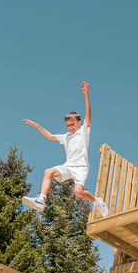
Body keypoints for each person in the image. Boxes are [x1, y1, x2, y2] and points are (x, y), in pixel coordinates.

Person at [21, 81, 108, 218]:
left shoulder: (83, 132)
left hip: (81, 167)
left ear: (79, 123)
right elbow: (50, 137)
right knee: (48, 172)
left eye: (72, 124)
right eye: (68, 125)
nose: (70, 127)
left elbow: (88, 115)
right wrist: (37, 126)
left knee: (78, 192)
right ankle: (41, 200)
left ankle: (97, 201)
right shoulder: (66, 136)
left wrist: (86, 95)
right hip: (68, 166)